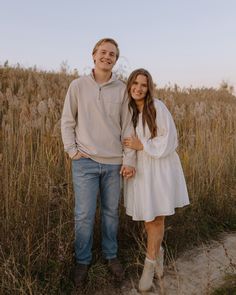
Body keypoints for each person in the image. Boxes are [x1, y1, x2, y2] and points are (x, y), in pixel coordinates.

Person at [61, 38, 136, 287]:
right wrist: (72, 150)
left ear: (116, 59)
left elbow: (128, 127)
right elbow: (67, 121)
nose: (107, 56)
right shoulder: (78, 86)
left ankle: (111, 255)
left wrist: (128, 159)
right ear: (93, 55)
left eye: (112, 54)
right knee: (83, 214)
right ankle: (82, 261)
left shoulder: (122, 89)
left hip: (114, 163)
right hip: (85, 163)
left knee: (110, 213)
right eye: (103, 52)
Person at [123, 68, 189, 292]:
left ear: (148, 88)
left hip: (160, 167)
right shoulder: (128, 111)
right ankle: (158, 253)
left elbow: (170, 139)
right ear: (130, 84)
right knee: (147, 217)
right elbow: (126, 142)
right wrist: (130, 160)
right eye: (135, 83)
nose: (138, 88)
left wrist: (144, 146)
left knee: (156, 219)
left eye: (143, 84)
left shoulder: (157, 107)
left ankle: (148, 267)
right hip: (142, 170)